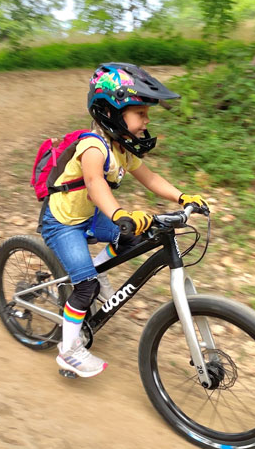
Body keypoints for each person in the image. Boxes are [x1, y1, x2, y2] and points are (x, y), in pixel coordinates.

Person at [40, 62, 209, 378]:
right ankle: (69, 350)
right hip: (63, 223)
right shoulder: (93, 146)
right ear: (111, 112)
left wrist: (183, 197)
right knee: (85, 286)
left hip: (89, 217)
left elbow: (151, 177)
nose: (146, 122)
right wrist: (119, 214)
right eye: (140, 114)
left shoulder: (122, 150)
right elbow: (94, 183)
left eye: (147, 114)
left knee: (131, 238)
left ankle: (97, 271)